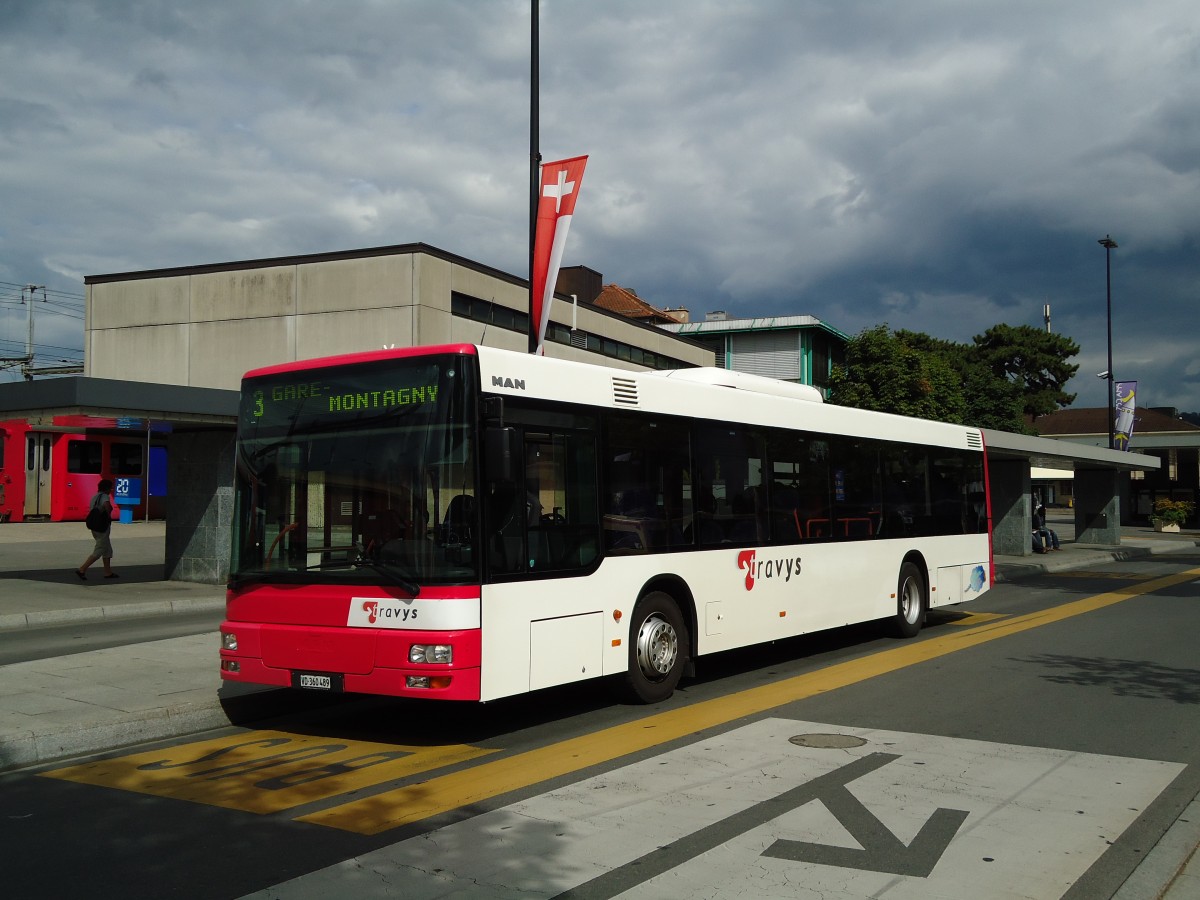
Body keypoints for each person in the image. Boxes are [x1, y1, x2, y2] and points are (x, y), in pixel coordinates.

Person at [76, 479, 118, 579]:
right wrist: (109, 514)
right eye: (110, 488)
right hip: (102, 526)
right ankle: (82, 569)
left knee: (107, 549)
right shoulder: (104, 496)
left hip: (94, 526)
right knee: (100, 549)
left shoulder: (94, 497)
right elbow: (107, 506)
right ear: (107, 488)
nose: (110, 490)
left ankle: (108, 572)